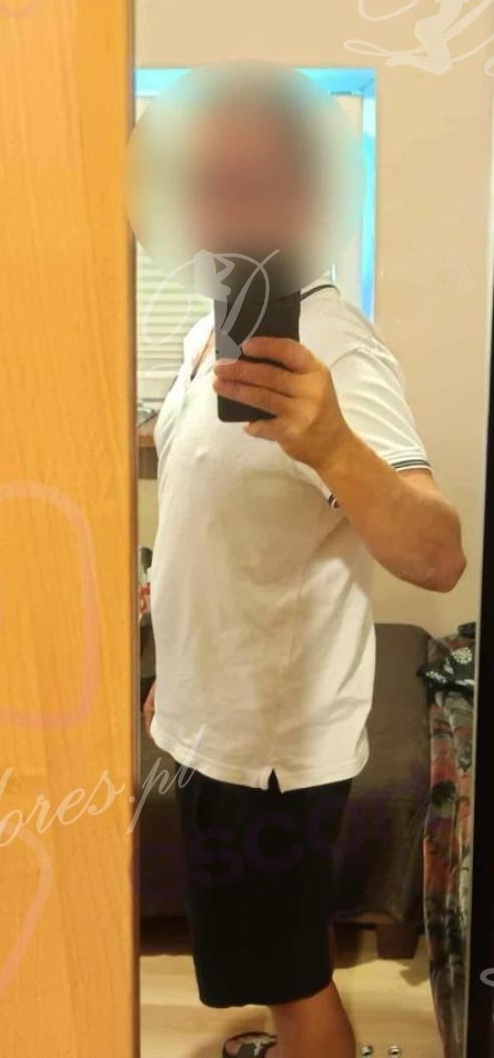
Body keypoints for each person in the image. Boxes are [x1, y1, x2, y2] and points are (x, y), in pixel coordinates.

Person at [141, 65, 466, 1058]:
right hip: (212, 718)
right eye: (204, 182)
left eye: (247, 183)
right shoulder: (212, 326)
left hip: (272, 749)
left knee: (290, 980)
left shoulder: (333, 349)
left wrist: (329, 443)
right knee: (265, 953)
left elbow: (436, 553)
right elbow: (214, 512)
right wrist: (170, 668)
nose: (216, 208)